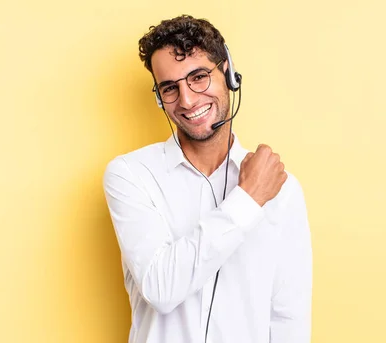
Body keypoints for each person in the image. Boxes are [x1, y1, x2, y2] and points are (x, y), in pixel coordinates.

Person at [103, 14, 312, 343]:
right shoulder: (130, 175)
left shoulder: (282, 190)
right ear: (159, 97)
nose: (187, 100)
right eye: (170, 88)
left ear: (228, 72)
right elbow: (161, 288)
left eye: (198, 77)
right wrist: (248, 199)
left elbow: (288, 318)